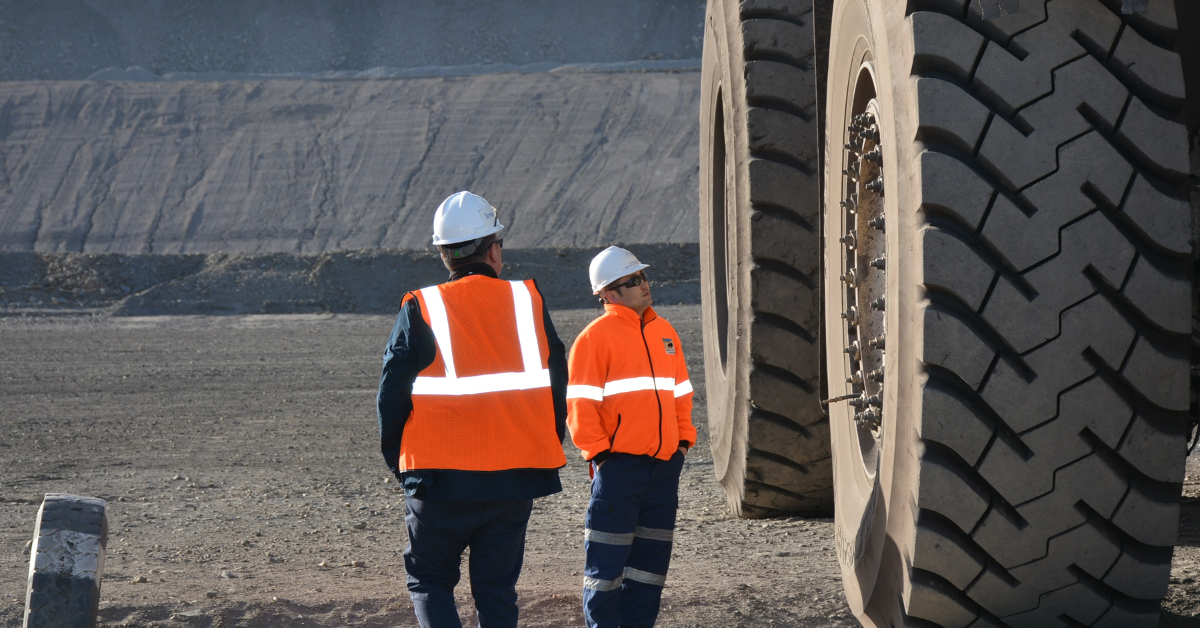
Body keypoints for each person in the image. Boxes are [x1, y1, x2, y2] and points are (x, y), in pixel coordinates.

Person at [376, 191, 568, 628]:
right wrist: (540, 445)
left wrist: (402, 466)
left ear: (445, 255)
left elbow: (391, 394)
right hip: (516, 476)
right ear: (494, 250)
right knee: (497, 590)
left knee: (430, 580)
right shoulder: (528, 302)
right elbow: (558, 380)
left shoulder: (420, 306)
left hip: (439, 479)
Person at [566, 246, 697, 628]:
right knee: (605, 570)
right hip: (619, 471)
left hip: (663, 470)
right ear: (609, 294)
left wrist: (682, 445)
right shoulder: (595, 338)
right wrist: (602, 456)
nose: (645, 284)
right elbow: (580, 405)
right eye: (633, 280)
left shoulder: (665, 331)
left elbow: (681, 394)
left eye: (643, 277)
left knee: (649, 571)